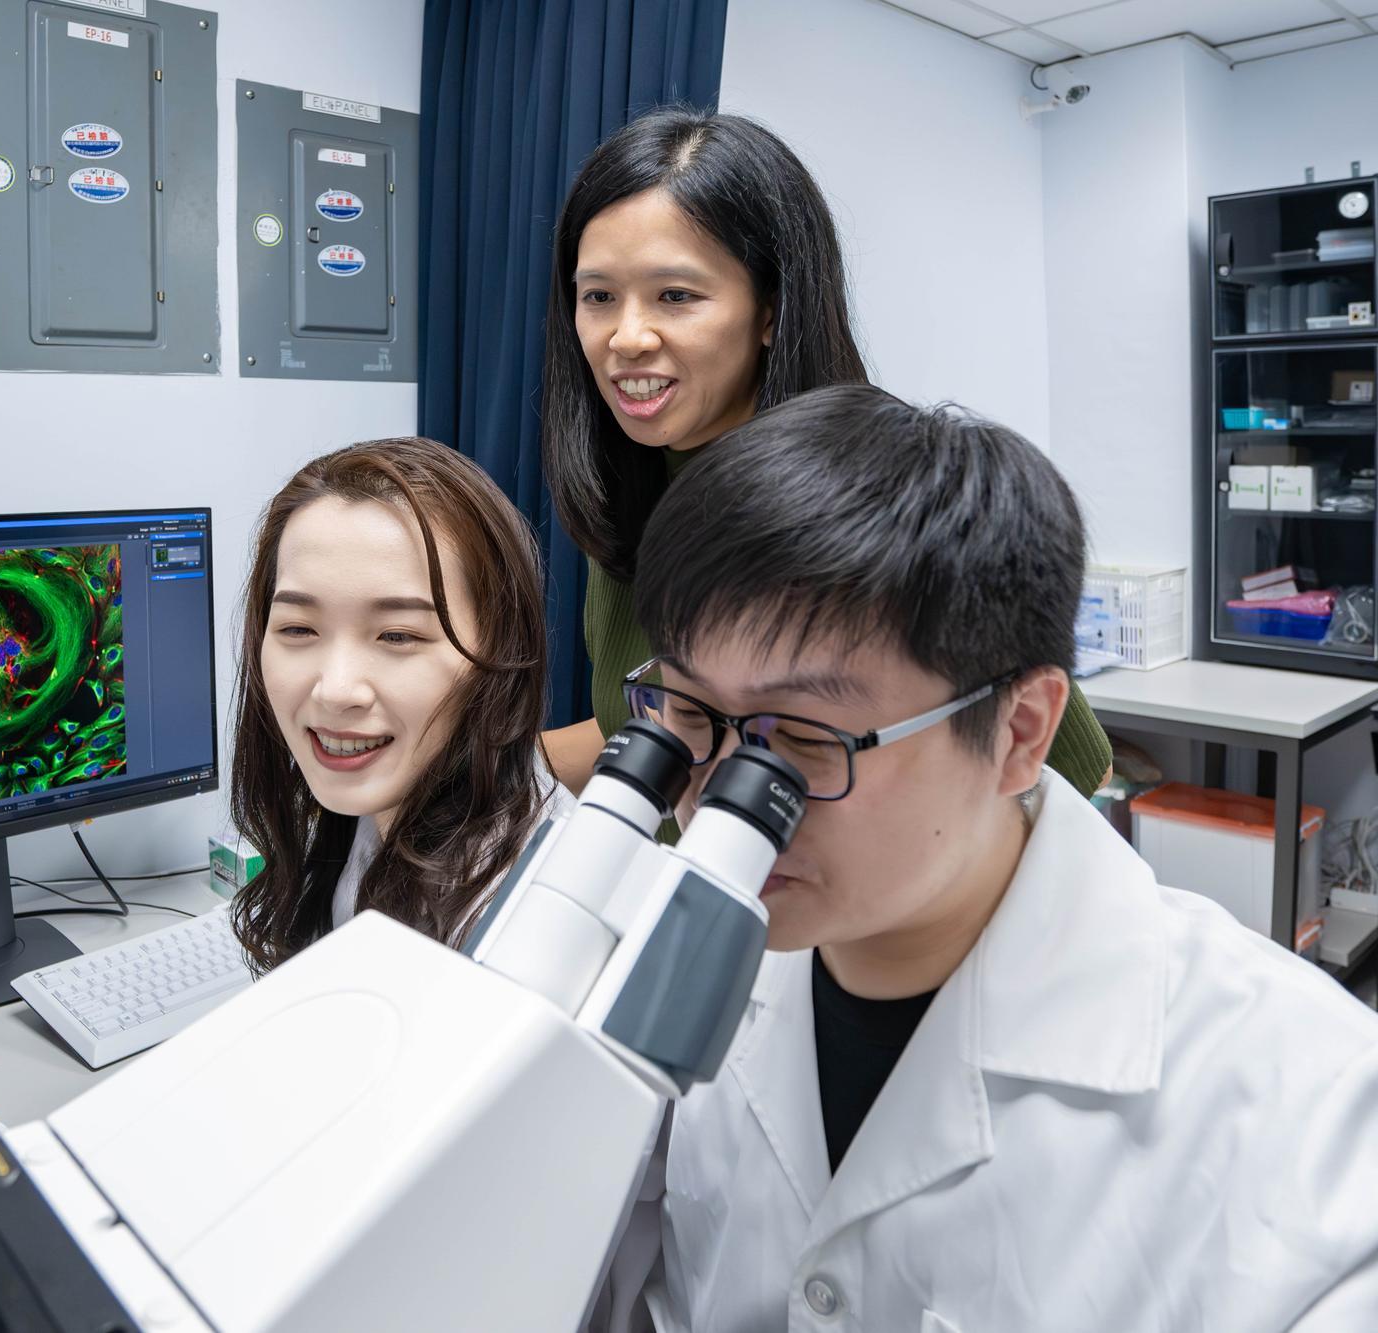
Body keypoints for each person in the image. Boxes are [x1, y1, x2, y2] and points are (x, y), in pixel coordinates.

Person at [625, 385, 1378, 1328]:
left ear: (1020, 729)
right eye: (692, 714)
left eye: (805, 739)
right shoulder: (647, 964)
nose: (724, 796)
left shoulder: (1313, 1117)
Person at [537, 107, 1114, 799]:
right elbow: (674, 728)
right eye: (598, 295)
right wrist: (480, 770)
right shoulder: (631, 490)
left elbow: (1071, 768)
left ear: (772, 311)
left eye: (676, 295)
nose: (626, 337)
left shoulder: (891, 494)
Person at [227, 437, 575, 973]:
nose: (336, 690)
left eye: (397, 636)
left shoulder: (521, 942)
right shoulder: (383, 814)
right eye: (298, 628)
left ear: (500, 652)